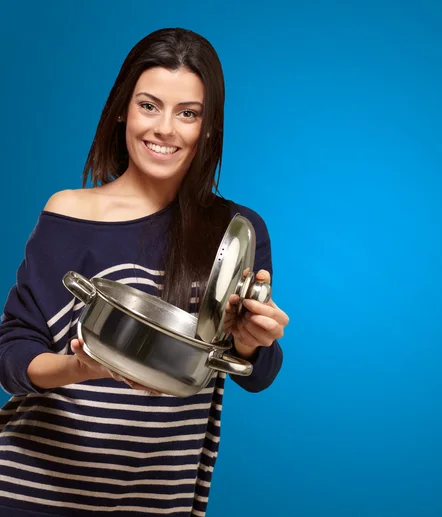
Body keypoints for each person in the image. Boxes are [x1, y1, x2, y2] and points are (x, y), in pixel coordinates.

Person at [0, 27, 288, 516]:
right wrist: (79, 367)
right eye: (149, 105)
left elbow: (256, 374)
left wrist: (252, 340)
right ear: (121, 110)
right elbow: (12, 351)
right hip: (29, 491)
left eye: (188, 113)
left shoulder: (235, 232)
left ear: (209, 126)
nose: (164, 130)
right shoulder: (70, 212)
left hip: (154, 501)